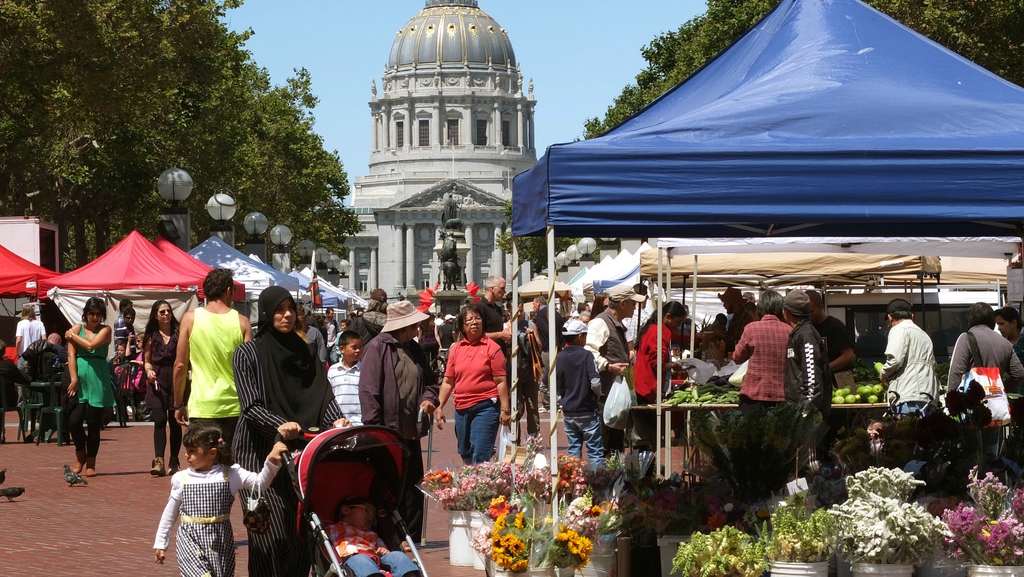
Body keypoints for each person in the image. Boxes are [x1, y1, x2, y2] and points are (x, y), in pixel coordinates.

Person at [233, 286, 350, 576]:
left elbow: (322, 396)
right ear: (266, 313)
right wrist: (278, 424)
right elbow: (251, 407)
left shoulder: (307, 352)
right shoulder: (248, 353)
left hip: (301, 453)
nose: (286, 315)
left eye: (290, 309)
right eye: (279, 309)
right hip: (259, 453)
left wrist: (337, 420)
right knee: (269, 535)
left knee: (300, 533)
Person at [153, 423, 288, 577]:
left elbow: (261, 483)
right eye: (187, 451)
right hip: (190, 539)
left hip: (221, 541)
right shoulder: (181, 478)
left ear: (212, 453)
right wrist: (161, 543)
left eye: (192, 451)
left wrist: (271, 460)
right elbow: (170, 514)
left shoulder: (231, 474)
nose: (186, 456)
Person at [359, 300, 439, 543]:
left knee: (414, 486)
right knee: (389, 485)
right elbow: (369, 390)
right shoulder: (377, 348)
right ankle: (389, 536)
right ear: (402, 327)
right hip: (387, 431)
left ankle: (411, 538)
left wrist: (428, 399)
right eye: (414, 325)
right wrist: (375, 430)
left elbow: (430, 382)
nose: (417, 328)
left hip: (411, 431)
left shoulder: (414, 349)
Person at [174, 269, 253, 448]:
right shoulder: (242, 322)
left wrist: (178, 403)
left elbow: (180, 365)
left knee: (202, 465)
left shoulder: (190, 319)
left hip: (202, 406)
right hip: (234, 405)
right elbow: (249, 369)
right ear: (228, 290)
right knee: (233, 466)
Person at [436, 303, 510, 465]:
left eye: (477, 318)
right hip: (461, 408)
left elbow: (500, 381)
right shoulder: (456, 349)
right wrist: (440, 406)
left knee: (480, 452)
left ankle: (480, 485)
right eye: (469, 319)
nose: (474, 322)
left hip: (486, 406)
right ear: (462, 326)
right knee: (465, 451)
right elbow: (448, 381)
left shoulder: (492, 348)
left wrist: (505, 409)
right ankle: (473, 485)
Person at [948, 302, 1024, 457]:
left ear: (970, 320)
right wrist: (1001, 387)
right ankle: (990, 481)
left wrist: (952, 403)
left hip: (970, 409)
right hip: (995, 408)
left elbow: (956, 374)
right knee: (991, 456)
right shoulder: (1004, 343)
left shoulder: (966, 339)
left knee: (970, 457)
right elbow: (1020, 374)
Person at [586, 284, 644, 454]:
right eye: (633, 303)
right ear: (623, 303)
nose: (635, 307)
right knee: (606, 439)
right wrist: (608, 366)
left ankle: (613, 474)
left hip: (616, 391)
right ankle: (603, 476)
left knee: (615, 440)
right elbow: (589, 352)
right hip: (605, 393)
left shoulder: (615, 322)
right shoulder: (600, 322)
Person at [66, 296, 114, 477]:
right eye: (91, 313)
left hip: (98, 378)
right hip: (80, 379)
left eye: (98, 314)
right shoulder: (78, 328)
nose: (94, 317)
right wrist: (74, 378)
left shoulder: (106, 330)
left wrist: (71, 335)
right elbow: (71, 355)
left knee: (94, 423)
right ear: (85, 314)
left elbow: (92, 345)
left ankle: (91, 463)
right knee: (74, 421)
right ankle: (81, 455)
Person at [326, 496, 421, 577]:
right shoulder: (334, 529)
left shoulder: (372, 534)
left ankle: (409, 574)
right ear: (345, 510)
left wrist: (384, 551)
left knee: (398, 555)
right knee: (361, 559)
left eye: (373, 518)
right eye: (367, 511)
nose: (370, 517)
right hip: (351, 559)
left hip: (376, 559)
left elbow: (381, 548)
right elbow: (326, 544)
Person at [879, 299, 941, 415]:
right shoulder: (924, 334)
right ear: (912, 316)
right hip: (928, 395)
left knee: (907, 431)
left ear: (890, 317)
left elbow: (895, 360)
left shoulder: (898, 329)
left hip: (908, 395)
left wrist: (884, 373)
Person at [732, 290, 790, 413]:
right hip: (781, 397)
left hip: (754, 396)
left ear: (760, 308)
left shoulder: (751, 329)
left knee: (753, 432)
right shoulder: (789, 330)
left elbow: (737, 358)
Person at [556, 318, 603, 464]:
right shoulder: (586, 355)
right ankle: (597, 483)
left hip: (569, 412)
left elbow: (548, 385)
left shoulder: (559, 357)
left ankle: (575, 483)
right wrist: (598, 395)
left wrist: (560, 398)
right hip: (587, 410)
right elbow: (595, 382)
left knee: (573, 451)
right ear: (580, 337)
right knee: (595, 452)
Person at [144, 300, 181, 477]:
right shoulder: (152, 336)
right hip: (157, 380)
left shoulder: (178, 333)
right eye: (162, 312)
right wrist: (149, 370)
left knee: (175, 421)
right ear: (155, 315)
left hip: (175, 379)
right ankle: (159, 461)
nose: (166, 314)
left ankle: (174, 460)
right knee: (159, 420)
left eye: (168, 311)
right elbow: (147, 360)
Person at [781, 290, 832, 416]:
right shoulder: (799, 333)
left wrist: (805, 411)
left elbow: (812, 377)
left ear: (786, 312)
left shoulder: (806, 335)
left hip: (805, 411)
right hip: (796, 407)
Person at [805, 290, 857, 390]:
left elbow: (848, 355)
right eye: (806, 312)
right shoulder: (806, 327)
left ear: (821, 307)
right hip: (816, 383)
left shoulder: (835, 326)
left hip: (839, 381)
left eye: (811, 311)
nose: (809, 316)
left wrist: (825, 369)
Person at [532, 295, 565, 415]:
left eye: (533, 304)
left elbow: (547, 331)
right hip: (557, 349)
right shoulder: (555, 313)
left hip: (547, 349)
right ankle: (558, 401)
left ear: (538, 303)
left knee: (545, 377)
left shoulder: (541, 314)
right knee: (555, 376)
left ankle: (548, 404)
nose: (533, 306)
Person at [328, 330, 364, 426]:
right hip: (339, 423)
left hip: (360, 423)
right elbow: (329, 396)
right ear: (342, 349)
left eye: (360, 347)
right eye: (354, 347)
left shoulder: (365, 370)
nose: (358, 351)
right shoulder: (333, 370)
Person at [15, 304, 45, 369]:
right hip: (36, 354)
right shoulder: (40, 323)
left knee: (21, 375)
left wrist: (17, 353)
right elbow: (44, 339)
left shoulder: (21, 323)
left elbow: (18, 340)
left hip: (24, 354)